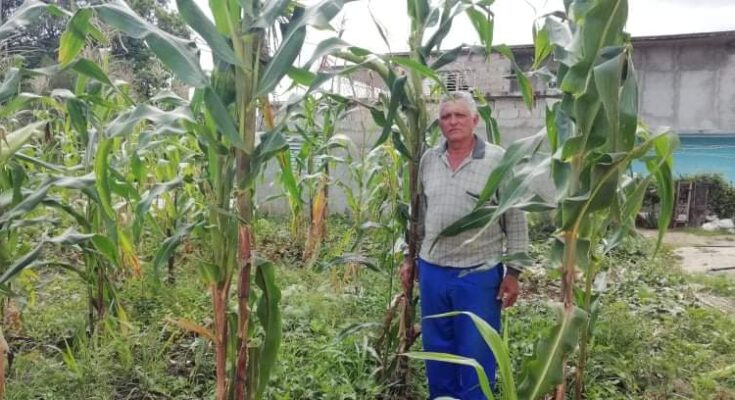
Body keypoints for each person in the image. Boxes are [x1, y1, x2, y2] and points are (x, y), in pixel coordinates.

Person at [400, 91, 529, 399]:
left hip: (478, 274)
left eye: (459, 115)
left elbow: (515, 216)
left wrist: (513, 271)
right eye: (446, 116)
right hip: (433, 271)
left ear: (475, 120)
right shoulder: (430, 159)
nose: (452, 121)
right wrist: (410, 257)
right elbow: (418, 213)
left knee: (476, 352)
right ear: (439, 123)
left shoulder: (499, 160)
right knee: (437, 349)